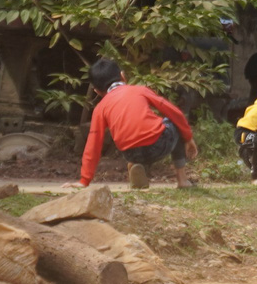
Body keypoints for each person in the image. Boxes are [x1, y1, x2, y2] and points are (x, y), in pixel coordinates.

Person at [77, 58, 197, 189]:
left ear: (97, 91)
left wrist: (84, 180)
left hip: (130, 153)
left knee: (132, 138)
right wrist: (188, 138)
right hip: (159, 145)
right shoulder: (139, 90)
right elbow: (175, 113)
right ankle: (182, 180)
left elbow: (93, 144)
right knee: (172, 121)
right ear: (123, 76)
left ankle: (135, 166)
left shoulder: (100, 109)